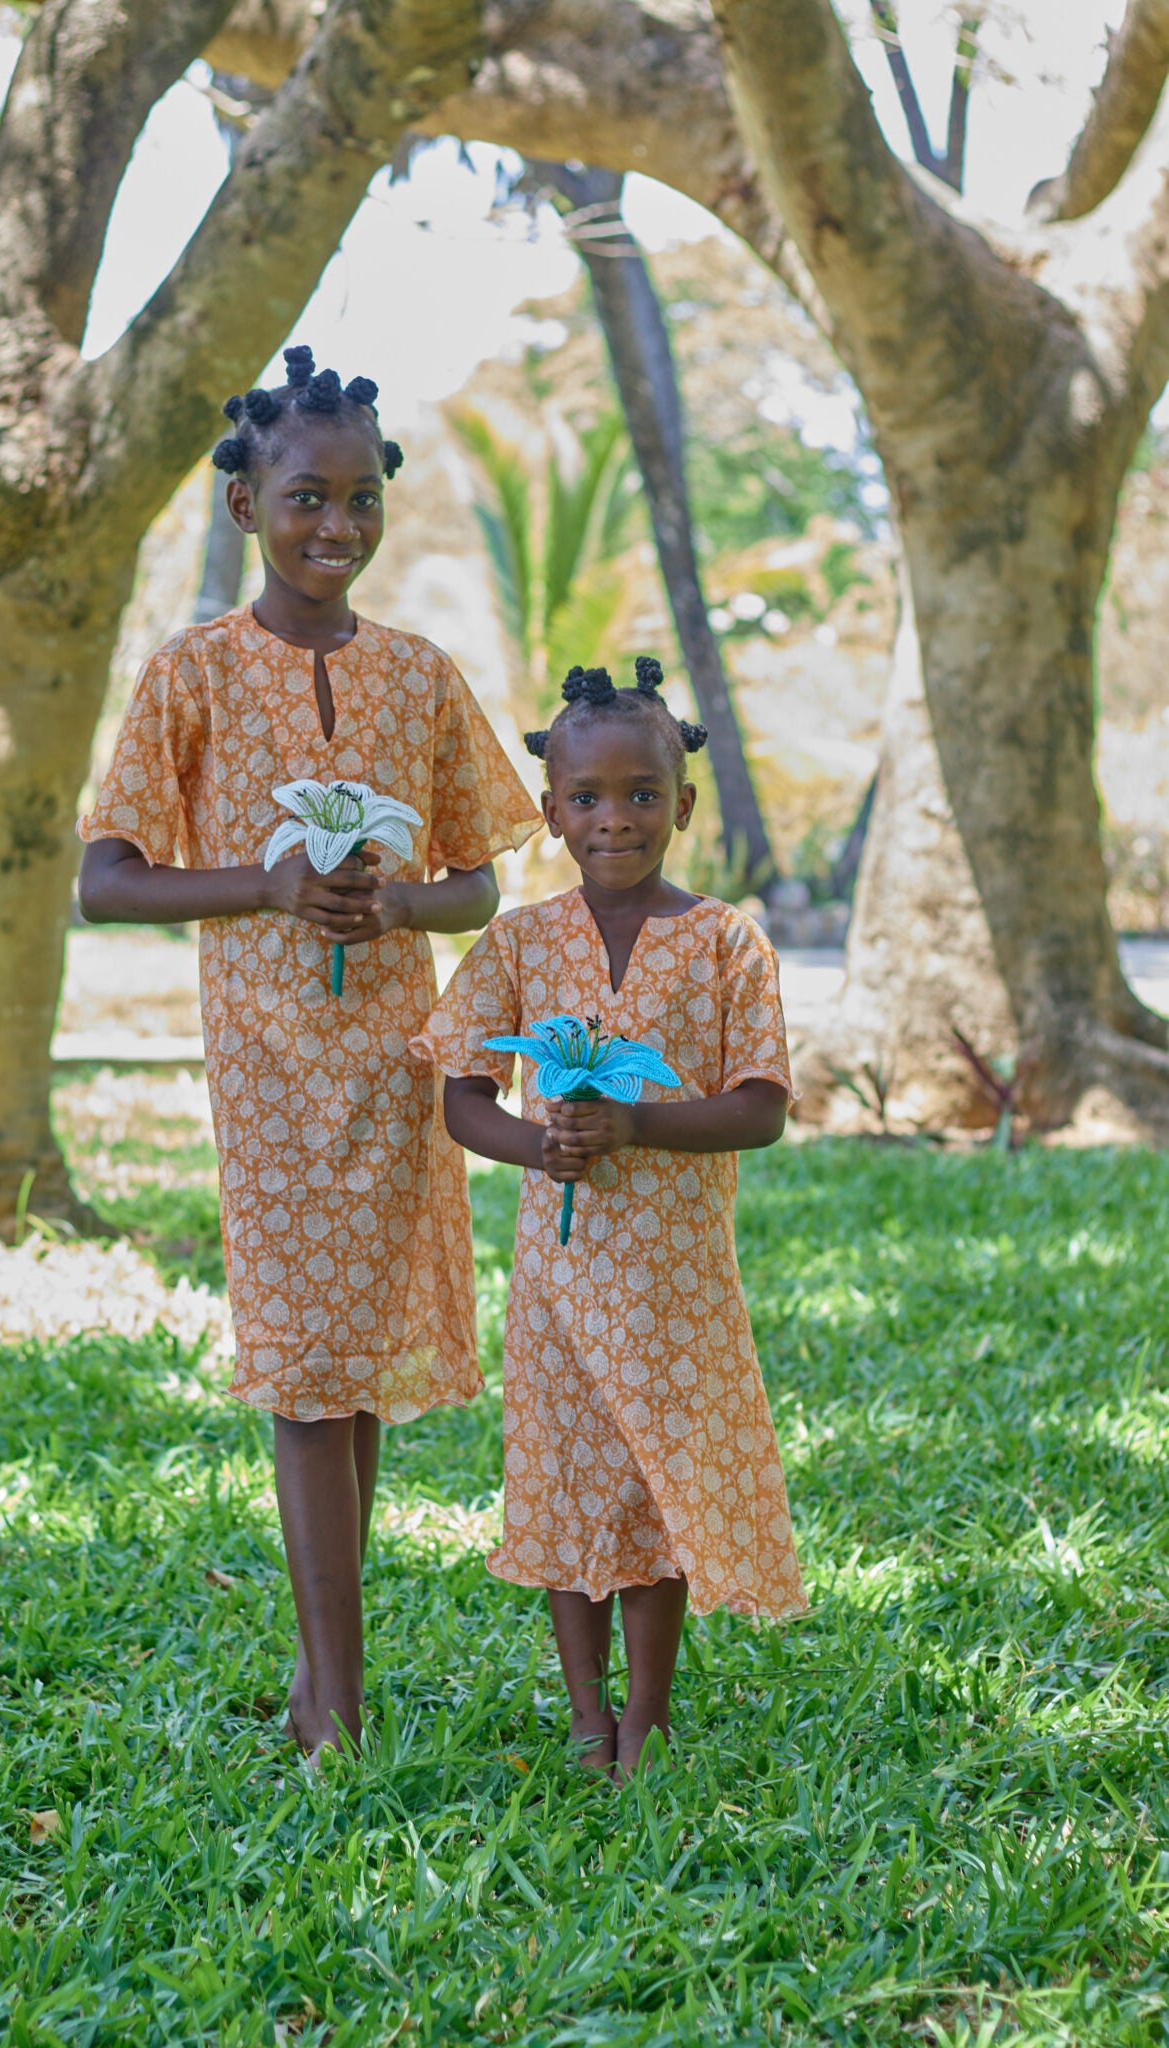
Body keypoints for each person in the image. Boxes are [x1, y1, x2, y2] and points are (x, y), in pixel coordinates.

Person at [77, 347, 539, 1757]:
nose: (333, 525)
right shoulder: (195, 677)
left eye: (357, 499)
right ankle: (335, 1697)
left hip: (398, 1053)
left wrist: (398, 897)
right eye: (302, 497)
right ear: (244, 508)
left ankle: (324, 1676)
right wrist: (267, 885)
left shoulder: (415, 678)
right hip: (271, 1065)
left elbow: (480, 880)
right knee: (300, 1367)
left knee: (360, 1365)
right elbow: (107, 880)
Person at [412, 658, 806, 1776]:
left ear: (683, 805)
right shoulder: (525, 945)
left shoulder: (727, 943)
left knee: (653, 1491)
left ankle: (650, 1715)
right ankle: (586, 1715)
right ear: (550, 813)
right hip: (558, 1284)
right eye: (586, 797)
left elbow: (760, 1108)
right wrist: (541, 1145)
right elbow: (460, 1094)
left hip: (678, 1291)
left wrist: (632, 1126)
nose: (614, 817)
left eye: (642, 794)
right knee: (565, 1486)